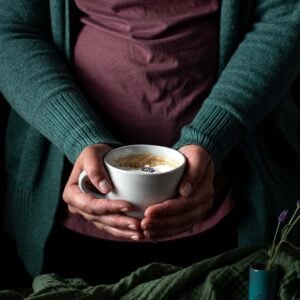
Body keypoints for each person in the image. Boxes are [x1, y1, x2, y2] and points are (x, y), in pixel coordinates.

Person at [0, 0, 299, 285]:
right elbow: (10, 28)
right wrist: (78, 135)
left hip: (233, 198)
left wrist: (211, 138)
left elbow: (285, 19)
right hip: (68, 207)